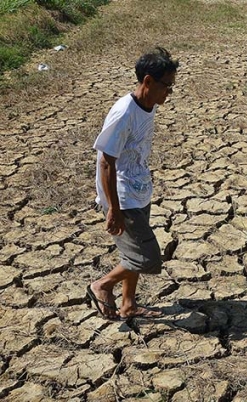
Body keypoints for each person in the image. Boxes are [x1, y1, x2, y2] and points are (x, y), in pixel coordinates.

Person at [86, 47, 178, 320]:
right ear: (148, 81)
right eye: (166, 86)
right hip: (123, 196)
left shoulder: (146, 105)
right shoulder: (124, 113)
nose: (169, 93)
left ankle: (128, 305)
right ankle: (102, 285)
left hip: (138, 190)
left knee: (133, 254)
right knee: (146, 257)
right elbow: (106, 162)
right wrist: (113, 208)